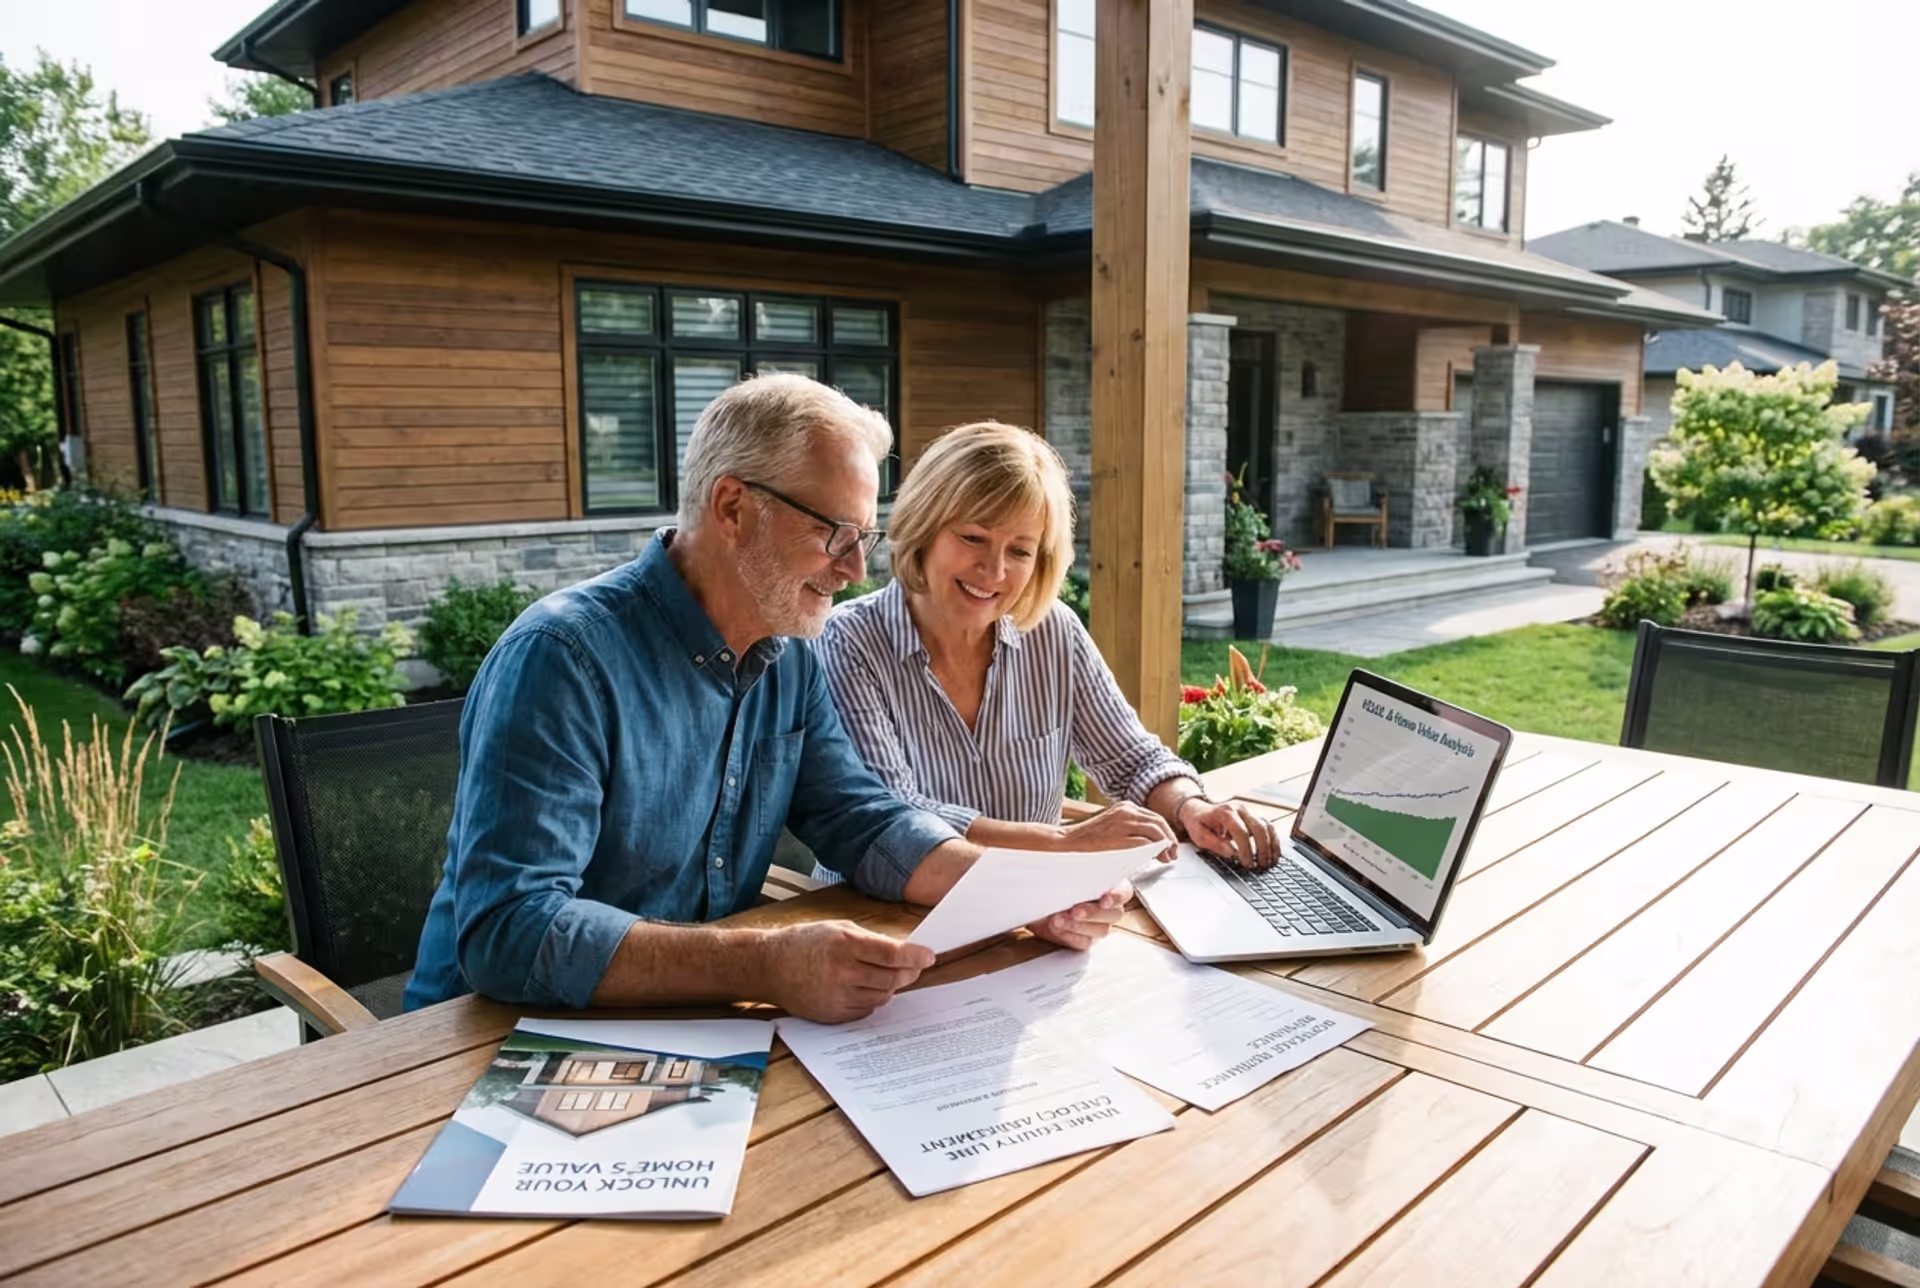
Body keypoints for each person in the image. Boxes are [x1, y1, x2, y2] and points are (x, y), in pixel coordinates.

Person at [404, 377, 1129, 1024]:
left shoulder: (790, 653)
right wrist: (765, 964)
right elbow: (509, 933)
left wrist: (1024, 895)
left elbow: (859, 818)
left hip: (699, 1022)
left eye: (865, 537)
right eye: (834, 534)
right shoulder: (562, 660)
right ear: (732, 507)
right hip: (486, 1044)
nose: (853, 569)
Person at [812, 421, 1281, 886]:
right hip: (872, 916)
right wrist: (1065, 844)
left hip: (1024, 911)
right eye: (973, 537)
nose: (993, 571)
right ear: (924, 528)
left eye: (1019, 551)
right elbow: (897, 817)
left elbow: (1132, 758)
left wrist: (1191, 807)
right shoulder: (850, 641)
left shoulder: (1052, 631)